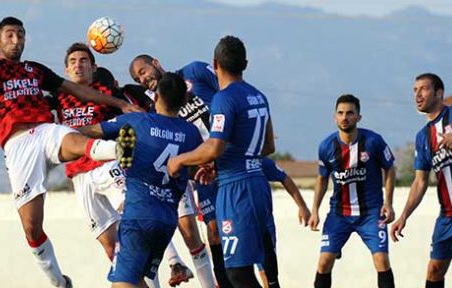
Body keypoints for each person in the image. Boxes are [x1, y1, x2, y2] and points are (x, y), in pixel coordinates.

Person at [0, 17, 137, 288]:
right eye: (9, 35)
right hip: (17, 145)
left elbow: (77, 90)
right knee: (32, 227)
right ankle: (59, 281)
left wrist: (119, 104)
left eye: (20, 35)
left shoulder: (35, 70)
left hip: (44, 129)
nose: (16, 41)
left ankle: (118, 148)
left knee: (72, 139)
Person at [54, 42, 192, 287]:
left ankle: (174, 261)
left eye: (84, 60)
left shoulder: (107, 91)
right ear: (66, 71)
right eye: (73, 61)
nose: (79, 65)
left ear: (94, 67)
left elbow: (136, 109)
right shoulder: (58, 96)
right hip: (79, 176)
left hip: (106, 164)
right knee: (110, 243)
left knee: (133, 208)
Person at [167, 35, 275, 288]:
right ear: (245, 64)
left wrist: (180, 160)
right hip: (258, 184)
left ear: (215, 63)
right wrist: (220, 164)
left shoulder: (223, 99)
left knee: (237, 273)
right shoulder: (258, 95)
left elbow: (214, 147)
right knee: (262, 261)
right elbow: (268, 146)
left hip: (236, 190)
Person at [80, 72, 203, 288]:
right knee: (137, 280)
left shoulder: (137, 122)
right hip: (166, 221)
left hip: (138, 217)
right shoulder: (192, 133)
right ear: (184, 101)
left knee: (122, 283)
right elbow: (191, 171)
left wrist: (60, 135)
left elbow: (93, 131)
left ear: (155, 98)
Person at [129, 54, 224, 288]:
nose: (142, 79)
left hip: (226, 157)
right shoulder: (157, 108)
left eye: (142, 71)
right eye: (137, 77)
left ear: (156, 63)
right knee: (213, 233)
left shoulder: (195, 71)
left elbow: (226, 90)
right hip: (200, 169)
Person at [390, 73, 452, 288]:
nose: (418, 94)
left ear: (439, 93)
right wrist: (404, 216)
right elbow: (419, 182)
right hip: (447, 215)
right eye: (415, 90)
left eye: (423, 89)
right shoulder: (422, 137)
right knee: (435, 269)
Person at [307, 94, 396, 288]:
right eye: (340, 113)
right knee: (324, 263)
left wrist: (388, 203)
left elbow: (390, 168)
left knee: (382, 260)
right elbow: (322, 178)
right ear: (334, 117)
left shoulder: (374, 141)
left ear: (358, 117)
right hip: (339, 214)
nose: (344, 117)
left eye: (349, 113)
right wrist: (314, 210)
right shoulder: (326, 146)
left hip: (371, 213)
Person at [255, 157, 311, 288]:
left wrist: (302, 206)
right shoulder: (226, 160)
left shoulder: (260, 161)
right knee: (237, 271)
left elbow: (284, 178)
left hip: (264, 222)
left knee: (266, 271)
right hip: (237, 222)